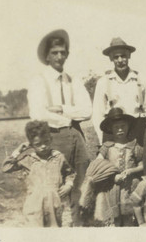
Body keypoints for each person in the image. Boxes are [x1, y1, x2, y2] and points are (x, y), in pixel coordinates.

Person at [28, 29, 92, 226]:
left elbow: (87, 110)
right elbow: (38, 114)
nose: (59, 56)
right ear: (47, 56)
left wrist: (61, 108)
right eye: (55, 52)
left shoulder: (74, 81)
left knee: (81, 180)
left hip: (76, 135)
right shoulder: (39, 81)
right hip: (52, 136)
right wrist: (68, 116)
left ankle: (78, 222)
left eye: (63, 52)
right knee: (56, 184)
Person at [2, 121, 76, 227]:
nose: (43, 146)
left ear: (51, 139)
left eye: (46, 142)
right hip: (34, 204)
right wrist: (18, 151)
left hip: (53, 203)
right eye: (38, 144)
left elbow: (69, 173)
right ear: (31, 144)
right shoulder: (28, 159)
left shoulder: (58, 157)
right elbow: (6, 167)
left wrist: (69, 185)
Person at [92, 37, 146, 147]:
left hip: (138, 130)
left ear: (129, 55)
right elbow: (98, 114)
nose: (120, 60)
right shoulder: (103, 82)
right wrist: (103, 140)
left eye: (123, 56)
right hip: (113, 132)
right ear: (111, 59)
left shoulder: (141, 79)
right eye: (116, 57)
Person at [95, 107, 144, 226]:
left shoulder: (134, 145)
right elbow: (98, 165)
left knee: (129, 216)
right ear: (111, 129)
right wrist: (112, 176)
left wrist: (132, 170)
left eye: (123, 126)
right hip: (112, 186)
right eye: (116, 127)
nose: (120, 130)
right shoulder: (107, 147)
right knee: (114, 217)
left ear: (128, 127)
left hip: (130, 186)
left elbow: (142, 165)